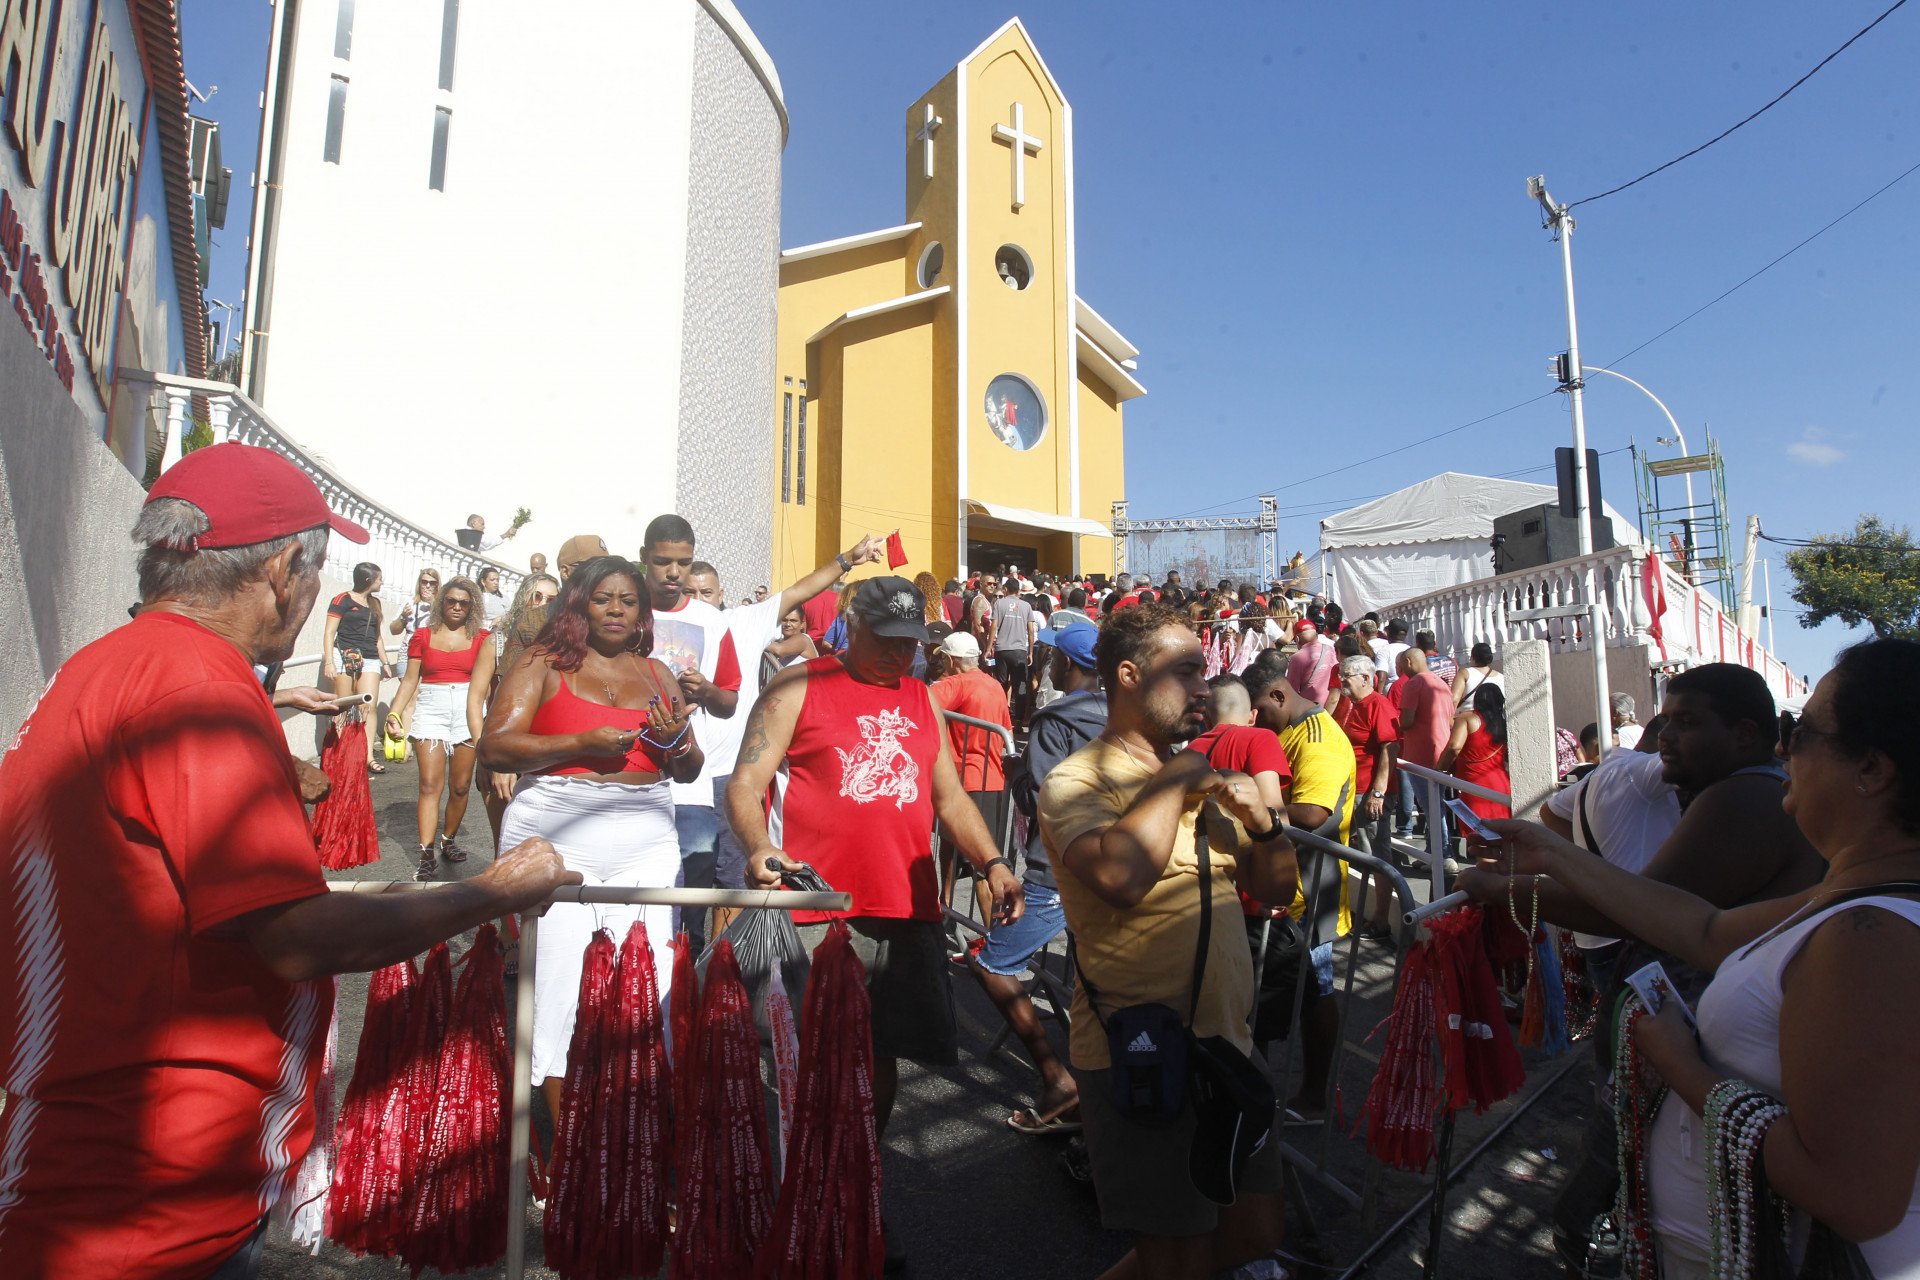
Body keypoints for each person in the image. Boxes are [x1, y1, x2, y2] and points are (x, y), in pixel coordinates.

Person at [0, 444, 573, 1280]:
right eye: (312, 574)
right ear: (280, 571)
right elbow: (299, 936)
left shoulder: (107, 665)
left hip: (92, 1155)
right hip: (156, 1191)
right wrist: (495, 888)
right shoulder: (200, 691)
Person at [1466, 639, 1920, 1280]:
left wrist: (1681, 1067)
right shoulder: (1858, 899)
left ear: (1871, 769)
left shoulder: (1871, 938)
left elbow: (1854, 1196)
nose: (1784, 749)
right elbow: (1705, 928)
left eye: (1803, 731)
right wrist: (1552, 852)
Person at [730, 576, 1023, 1270]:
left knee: (881, 1055)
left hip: (905, 905)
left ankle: (854, 1187)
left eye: (911, 645)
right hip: (816, 908)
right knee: (806, 1060)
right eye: (886, 643)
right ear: (851, 628)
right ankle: (800, 1202)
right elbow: (745, 784)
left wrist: (992, 863)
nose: (901, 658)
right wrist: (759, 848)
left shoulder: (921, 697)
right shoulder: (796, 686)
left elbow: (949, 797)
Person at [1039, 603, 1296, 1279]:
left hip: (1227, 1047)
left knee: (1254, 1230)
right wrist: (1179, 778)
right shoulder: (1078, 779)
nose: (1205, 689)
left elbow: (1274, 891)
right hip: (1141, 1052)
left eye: (1204, 672)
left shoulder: (1200, 776)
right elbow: (1122, 876)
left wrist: (1264, 825)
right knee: (1174, 1253)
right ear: (1128, 675)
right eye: (1186, 672)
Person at [477, 555, 703, 1142]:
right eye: (604, 598)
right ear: (579, 604)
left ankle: (641, 1135)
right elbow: (496, 749)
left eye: (628, 601)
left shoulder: (658, 673)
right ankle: (572, 1145)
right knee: (558, 983)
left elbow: (689, 768)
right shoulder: (542, 662)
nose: (617, 610)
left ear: (642, 612)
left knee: (648, 976)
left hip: (646, 832)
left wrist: (679, 744)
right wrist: (579, 741)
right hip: (555, 824)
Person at [685, 544, 888, 943]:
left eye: (705, 593)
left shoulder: (742, 621)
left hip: (726, 774)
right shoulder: (658, 625)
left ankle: (719, 973)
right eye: (690, 593)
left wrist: (847, 559)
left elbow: (800, 591)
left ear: (721, 594)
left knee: (732, 882)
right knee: (679, 891)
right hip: (674, 784)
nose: (697, 601)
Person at [990, 623, 1105, 1136]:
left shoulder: (1055, 718)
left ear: (1067, 664)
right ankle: (1099, 1093)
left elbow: (1043, 798)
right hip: (1112, 866)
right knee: (1093, 980)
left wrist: (1017, 773)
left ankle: (1058, 1080)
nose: (1048, 662)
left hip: (1056, 867)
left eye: (1053, 655)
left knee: (992, 963)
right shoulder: (1122, 715)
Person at [1243, 651, 1358, 1123]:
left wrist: (1248, 814)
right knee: (1264, 990)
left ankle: (1313, 1096)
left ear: (1278, 694)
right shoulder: (1285, 730)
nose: (1257, 721)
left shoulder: (1318, 740)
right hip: (1282, 886)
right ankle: (1255, 1092)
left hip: (1311, 887)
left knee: (1316, 993)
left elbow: (1313, 814)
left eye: (1260, 711)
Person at [386, 576, 491, 878]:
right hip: (431, 709)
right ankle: (425, 853)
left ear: (472, 606)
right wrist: (394, 714)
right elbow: (410, 680)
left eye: (464, 603)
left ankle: (449, 840)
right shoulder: (422, 635)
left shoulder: (483, 638)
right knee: (429, 786)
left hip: (468, 710)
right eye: (451, 601)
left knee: (460, 786)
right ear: (442, 602)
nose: (457, 607)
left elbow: (491, 683)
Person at [466, 571, 560, 845]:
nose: (542, 603)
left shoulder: (564, 647)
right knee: (505, 843)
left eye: (550, 599)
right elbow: (476, 699)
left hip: (545, 753)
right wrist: (485, 753)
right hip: (501, 747)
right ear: (523, 599)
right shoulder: (497, 642)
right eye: (537, 596)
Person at [1327, 653, 1399, 938]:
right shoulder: (1350, 702)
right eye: (1341, 677)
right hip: (1348, 790)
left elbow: (1389, 749)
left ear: (1366, 679)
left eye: (1347, 678)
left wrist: (1377, 793)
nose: (1342, 682)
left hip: (1368, 792)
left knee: (1375, 856)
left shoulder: (1378, 705)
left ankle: (1381, 921)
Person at [320, 561, 391, 770]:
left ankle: (368, 756)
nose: (382, 582)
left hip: (369, 658)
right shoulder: (342, 599)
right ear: (368, 580)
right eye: (379, 578)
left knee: (368, 706)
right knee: (343, 705)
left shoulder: (375, 603)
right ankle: (343, 754)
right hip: (344, 655)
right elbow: (329, 632)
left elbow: (378, 637)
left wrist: (384, 662)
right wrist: (329, 662)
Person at [1394, 646, 1454, 838]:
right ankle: (1434, 852)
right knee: (1436, 804)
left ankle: (1443, 853)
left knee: (1431, 807)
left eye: (1402, 665)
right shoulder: (1441, 683)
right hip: (1442, 750)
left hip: (1422, 754)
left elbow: (1406, 721)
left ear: (1409, 662)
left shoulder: (1413, 684)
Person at [1439, 682, 1511, 823]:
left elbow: (1454, 747)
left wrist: (1439, 769)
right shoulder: (1503, 723)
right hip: (1501, 783)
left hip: (1473, 783)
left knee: (1476, 832)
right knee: (1502, 832)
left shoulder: (1468, 718)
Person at [990, 575, 1039, 726]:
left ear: (1005, 589)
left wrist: (988, 648)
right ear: (1018, 590)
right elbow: (1030, 631)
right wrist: (1030, 651)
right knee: (1020, 687)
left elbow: (993, 627)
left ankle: (1000, 718)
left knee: (1001, 685)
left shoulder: (999, 604)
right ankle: (1017, 721)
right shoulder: (1026, 606)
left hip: (1002, 650)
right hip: (1019, 650)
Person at [761, 605, 818, 688]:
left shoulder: (802, 638)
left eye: (793, 621)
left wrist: (758, 641)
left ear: (802, 624)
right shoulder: (785, 641)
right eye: (784, 620)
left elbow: (779, 650)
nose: (788, 624)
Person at [1286, 617, 1337, 705]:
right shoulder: (1332, 650)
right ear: (1316, 635)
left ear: (1297, 639)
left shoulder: (1297, 658)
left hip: (1311, 709)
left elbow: (1292, 690)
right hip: (1332, 706)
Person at [389, 565, 441, 644]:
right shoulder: (410, 602)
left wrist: (433, 602)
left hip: (431, 644)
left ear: (437, 585)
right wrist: (403, 616)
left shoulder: (442, 604)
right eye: (424, 582)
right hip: (410, 645)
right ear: (419, 584)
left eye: (432, 583)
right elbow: (393, 631)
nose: (427, 586)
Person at [1452, 640, 1502, 708]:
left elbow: (1454, 700)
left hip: (1467, 717)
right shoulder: (1501, 677)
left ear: (1472, 658)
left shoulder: (1465, 674)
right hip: (1494, 717)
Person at [1374, 618, 1410, 694]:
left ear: (1388, 633)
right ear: (1406, 635)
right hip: (1410, 690)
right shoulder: (1411, 651)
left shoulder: (1384, 652)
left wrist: (1379, 697)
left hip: (1391, 691)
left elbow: (1381, 678)